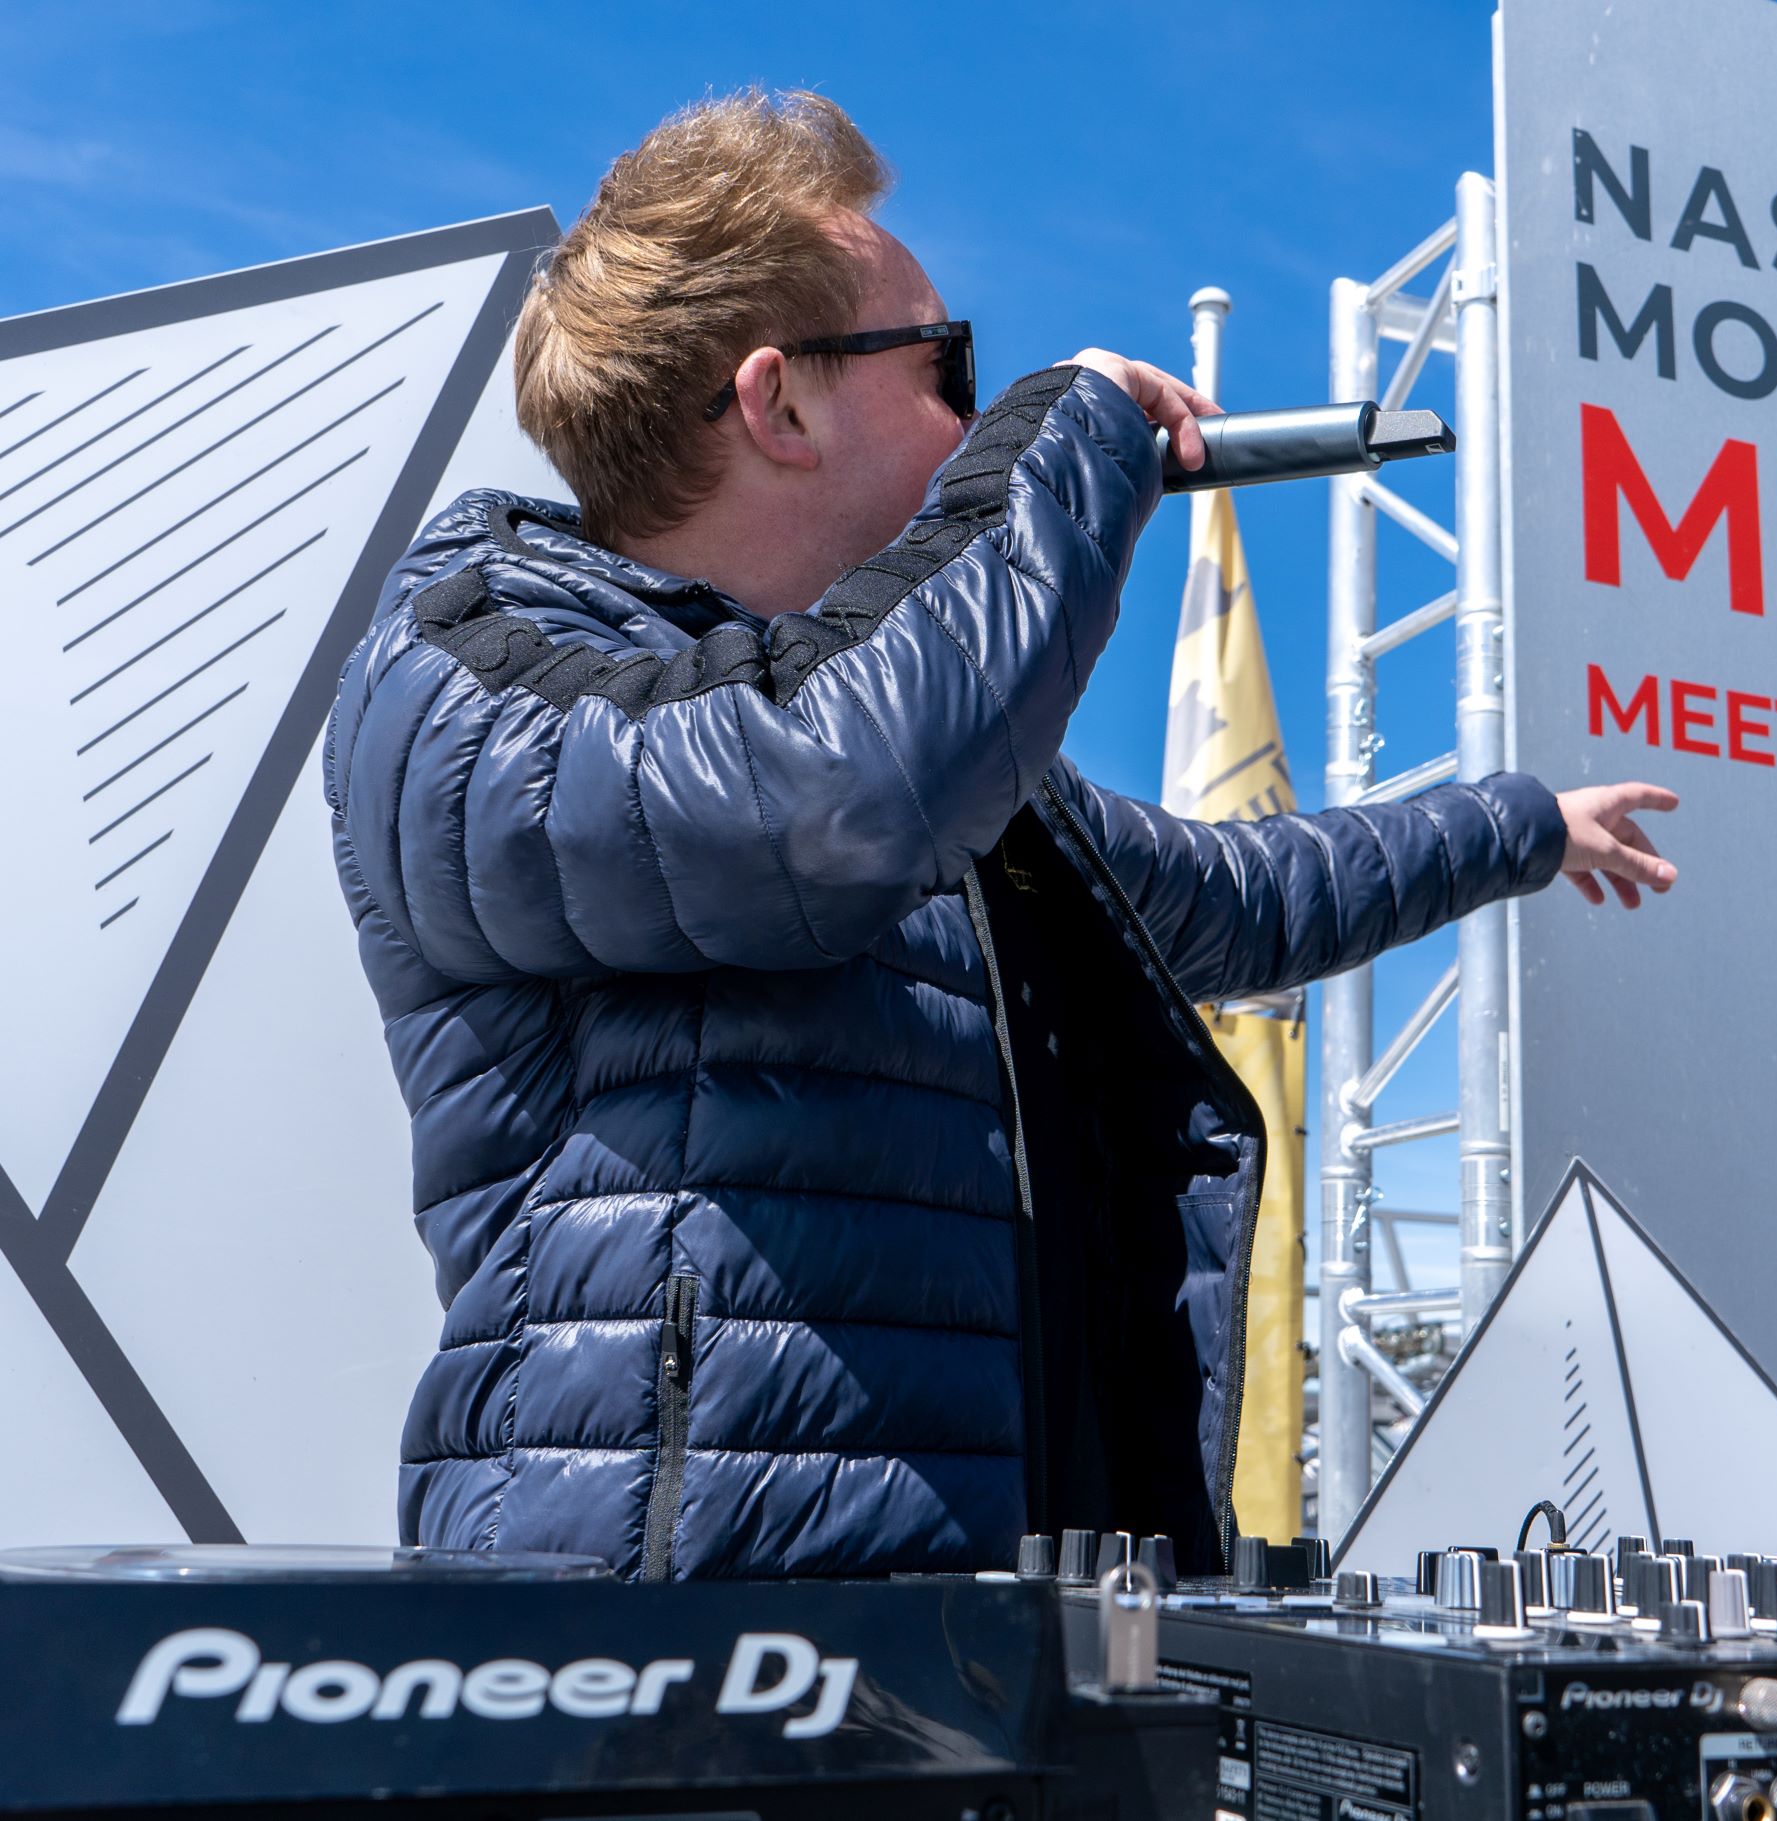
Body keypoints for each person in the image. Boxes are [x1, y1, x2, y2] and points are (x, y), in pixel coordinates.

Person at [324, 90, 1677, 1581]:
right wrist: (1067, 433)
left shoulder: (944, 755)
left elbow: (1242, 891)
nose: (971, 421)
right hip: (664, 1646)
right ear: (780, 405)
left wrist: (1521, 824)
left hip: (990, 1623)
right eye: (947, 366)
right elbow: (825, 791)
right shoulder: (475, 669)